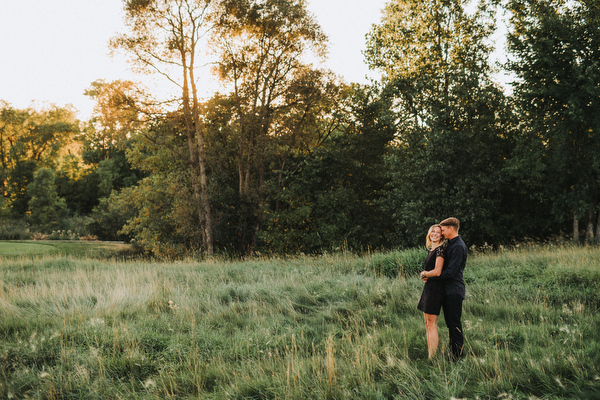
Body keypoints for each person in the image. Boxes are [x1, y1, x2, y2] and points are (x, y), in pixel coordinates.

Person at [423, 217, 468, 360]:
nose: (441, 233)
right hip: (447, 290)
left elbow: (450, 273)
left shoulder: (458, 246)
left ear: (451, 229)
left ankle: (457, 357)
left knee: (454, 324)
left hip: (454, 290)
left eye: (442, 230)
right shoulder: (450, 244)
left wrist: (429, 275)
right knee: (450, 324)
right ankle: (453, 353)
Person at [417, 224, 446, 358]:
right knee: (427, 323)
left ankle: (432, 357)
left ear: (441, 235)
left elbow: (437, 271)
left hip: (435, 290)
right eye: (432, 231)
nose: (434, 234)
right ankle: (431, 353)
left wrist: (424, 274)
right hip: (429, 288)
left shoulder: (440, 250)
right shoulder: (432, 249)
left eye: (438, 232)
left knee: (432, 324)